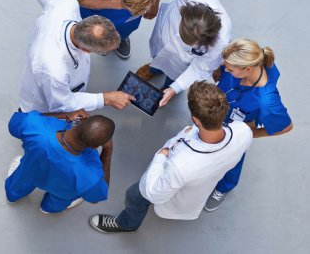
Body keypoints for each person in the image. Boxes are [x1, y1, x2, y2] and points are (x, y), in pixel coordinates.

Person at [89, 81, 252, 233]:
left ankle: (127, 224)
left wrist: (160, 157)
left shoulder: (181, 165)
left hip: (173, 180)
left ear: (196, 119)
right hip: (201, 181)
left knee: (134, 196)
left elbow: (153, 193)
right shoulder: (243, 132)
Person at [18, 0, 135, 114]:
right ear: (85, 49)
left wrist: (50, 12)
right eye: (104, 52)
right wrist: (106, 99)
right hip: (42, 107)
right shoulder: (54, 69)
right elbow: (63, 103)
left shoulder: (66, 4)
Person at [136, 0, 231, 107]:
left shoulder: (220, 42)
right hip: (164, 36)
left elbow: (201, 69)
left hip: (183, 62)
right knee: (158, 57)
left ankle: (168, 86)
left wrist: (174, 89)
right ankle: (153, 69)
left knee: (174, 75)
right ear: (183, 9)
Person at [204, 39, 293, 211]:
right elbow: (224, 60)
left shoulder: (266, 101)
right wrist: (218, 68)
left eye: (229, 68)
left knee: (234, 156)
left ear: (247, 69)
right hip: (220, 109)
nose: (225, 67)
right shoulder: (249, 54)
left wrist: (249, 133)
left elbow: (285, 127)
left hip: (237, 124)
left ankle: (224, 187)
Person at [5, 109, 114, 214]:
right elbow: (94, 199)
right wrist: (108, 151)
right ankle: (48, 208)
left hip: (32, 170)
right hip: (63, 189)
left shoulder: (36, 127)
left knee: (22, 178)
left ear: (82, 120)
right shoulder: (90, 175)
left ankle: (13, 196)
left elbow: (14, 123)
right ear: (95, 146)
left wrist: (65, 115)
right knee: (63, 197)